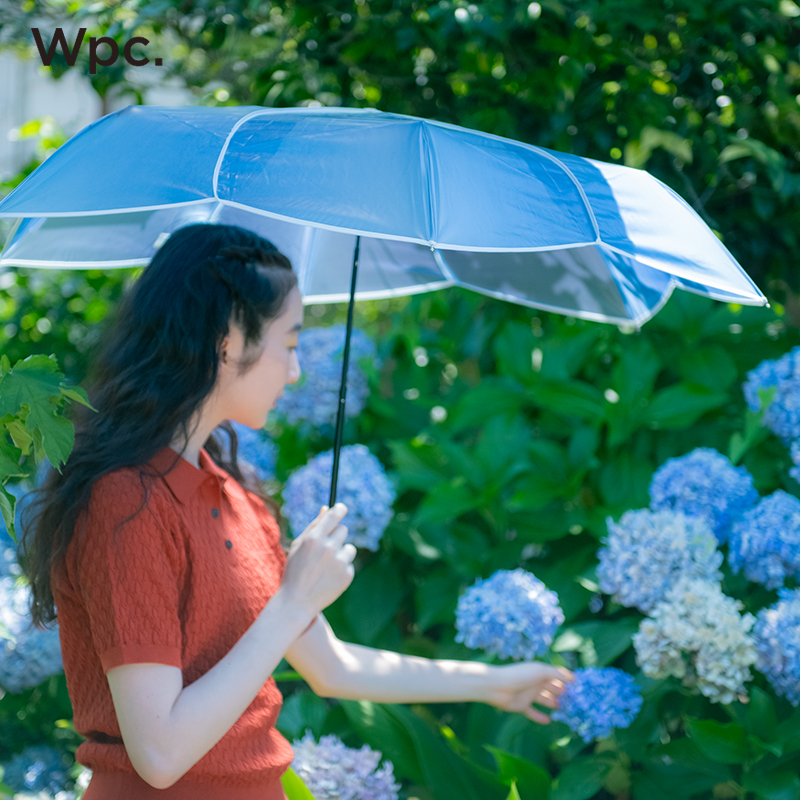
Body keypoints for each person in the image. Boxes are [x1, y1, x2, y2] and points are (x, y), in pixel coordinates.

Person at [21, 223, 572, 800]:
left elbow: (334, 667)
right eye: (289, 344)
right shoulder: (125, 504)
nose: (296, 370)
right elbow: (160, 753)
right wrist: (292, 602)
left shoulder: (234, 497)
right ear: (229, 339)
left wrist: (497, 684)